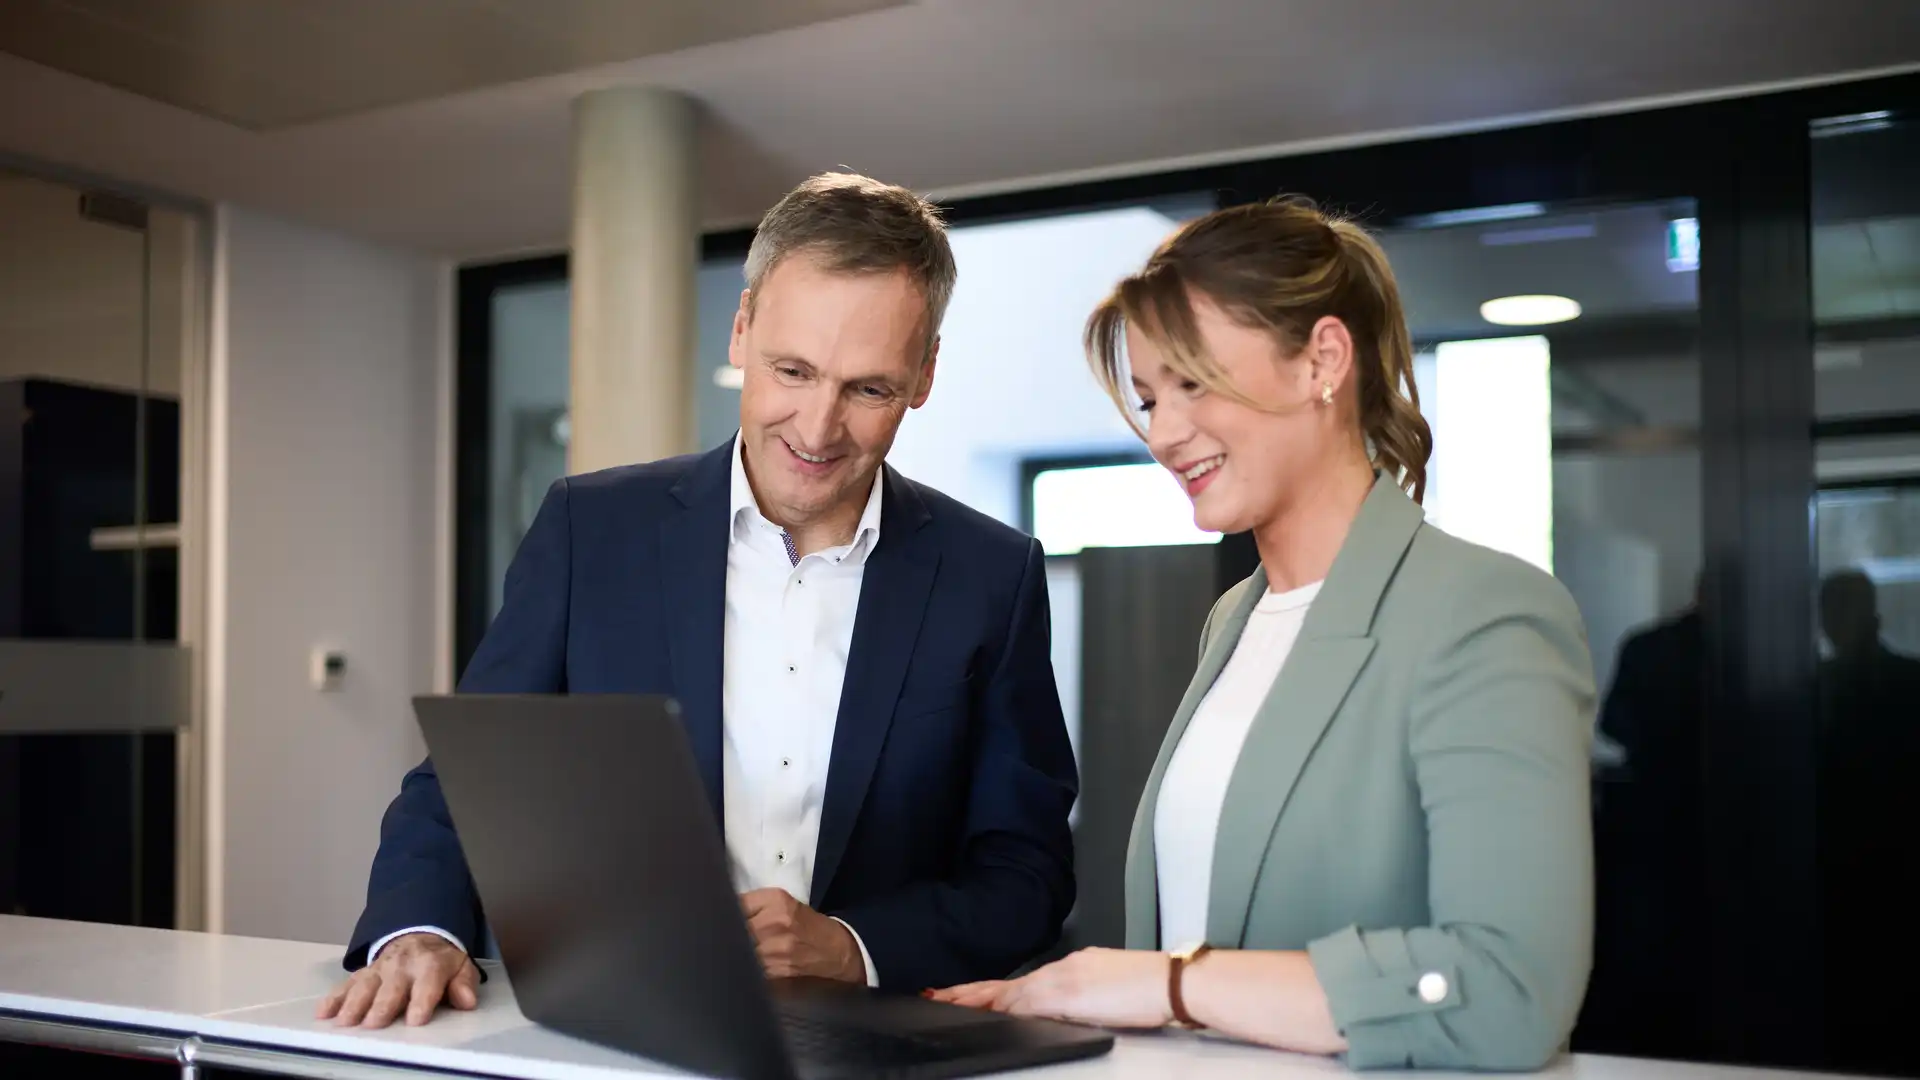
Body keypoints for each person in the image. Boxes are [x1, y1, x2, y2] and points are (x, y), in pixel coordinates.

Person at [320, 173, 1079, 1029]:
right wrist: (419, 929)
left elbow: (1026, 870)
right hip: (615, 1031)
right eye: (792, 370)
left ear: (925, 374)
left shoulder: (993, 574)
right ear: (742, 327)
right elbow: (469, 778)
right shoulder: (590, 529)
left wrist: (852, 946)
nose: (818, 429)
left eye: (869, 389)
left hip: (875, 1045)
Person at [930, 198, 1596, 1071]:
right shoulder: (1234, 622)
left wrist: (1166, 984)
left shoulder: (1486, 615)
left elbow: (1510, 987)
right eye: (1149, 397)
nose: (1163, 434)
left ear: (1323, 359)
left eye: (1194, 383)